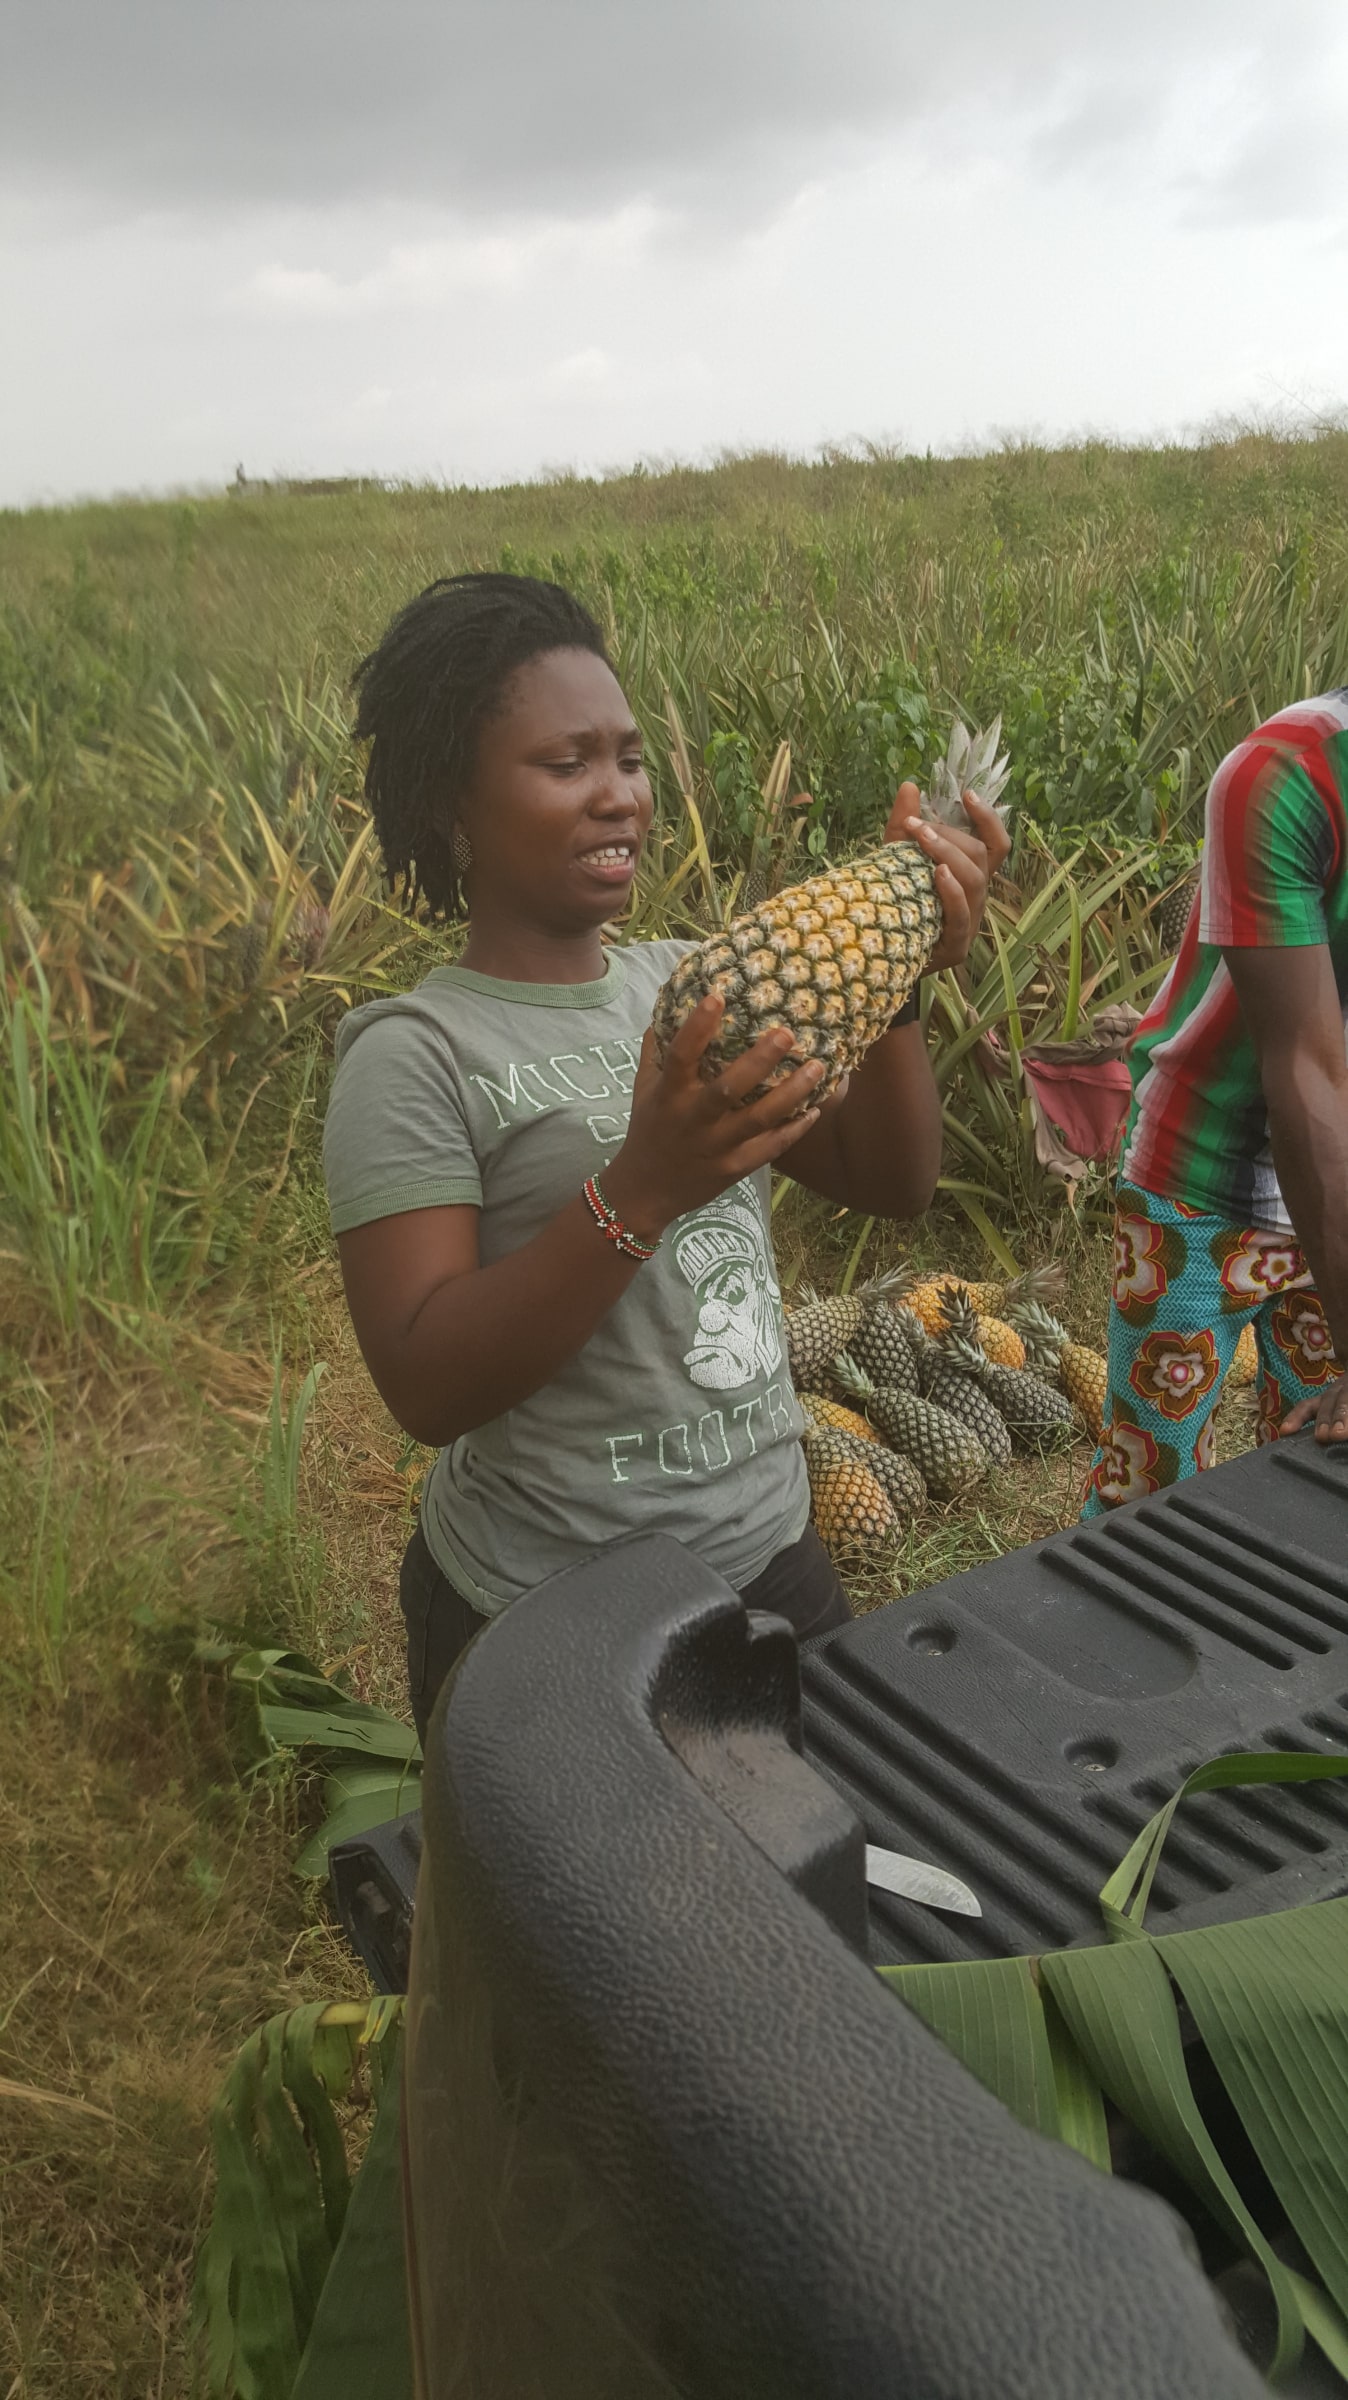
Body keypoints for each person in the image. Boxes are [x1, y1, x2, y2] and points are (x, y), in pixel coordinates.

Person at [323, 573, 1006, 1743]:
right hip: (550, 1602)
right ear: (454, 806)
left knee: (826, 1883)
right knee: (596, 1922)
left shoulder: (691, 980)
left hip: (768, 1546)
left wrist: (898, 978)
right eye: (565, 764)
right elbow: (425, 1383)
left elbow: (891, 1186)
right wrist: (640, 1191)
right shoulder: (414, 1051)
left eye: (630, 759)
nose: (617, 797)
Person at [1084, 690, 1348, 1514]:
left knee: (1321, 1474)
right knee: (1146, 1496)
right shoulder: (1287, 775)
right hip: (1198, 1182)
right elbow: (1304, 1071)